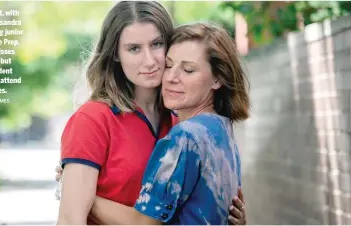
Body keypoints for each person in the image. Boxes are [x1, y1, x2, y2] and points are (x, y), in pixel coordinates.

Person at [56, 1, 247, 225]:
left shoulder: (181, 125)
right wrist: (77, 195)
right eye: (134, 48)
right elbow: (70, 220)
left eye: (157, 44)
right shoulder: (94, 119)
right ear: (115, 54)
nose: (149, 61)